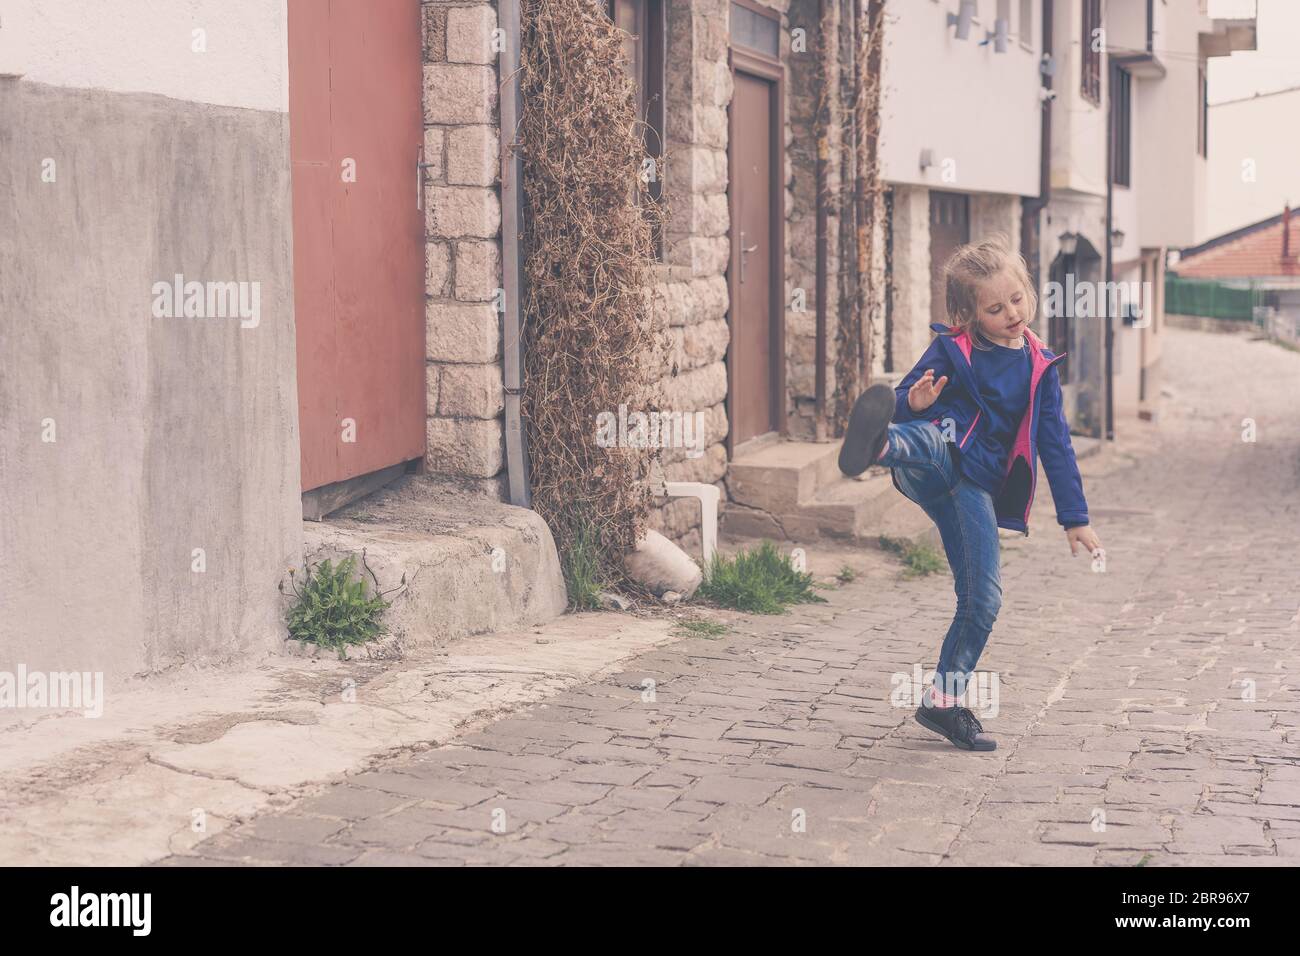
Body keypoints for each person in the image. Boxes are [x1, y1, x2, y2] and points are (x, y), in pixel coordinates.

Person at [839, 236, 1103, 751]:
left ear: (1028, 291)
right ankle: (878, 449)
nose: (1011, 313)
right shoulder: (952, 348)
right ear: (968, 313)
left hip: (975, 490)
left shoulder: (1039, 365)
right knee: (939, 437)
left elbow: (1056, 442)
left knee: (983, 599)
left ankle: (944, 702)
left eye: (1017, 299)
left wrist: (1075, 516)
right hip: (928, 462)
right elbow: (896, 398)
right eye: (995, 307)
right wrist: (911, 402)